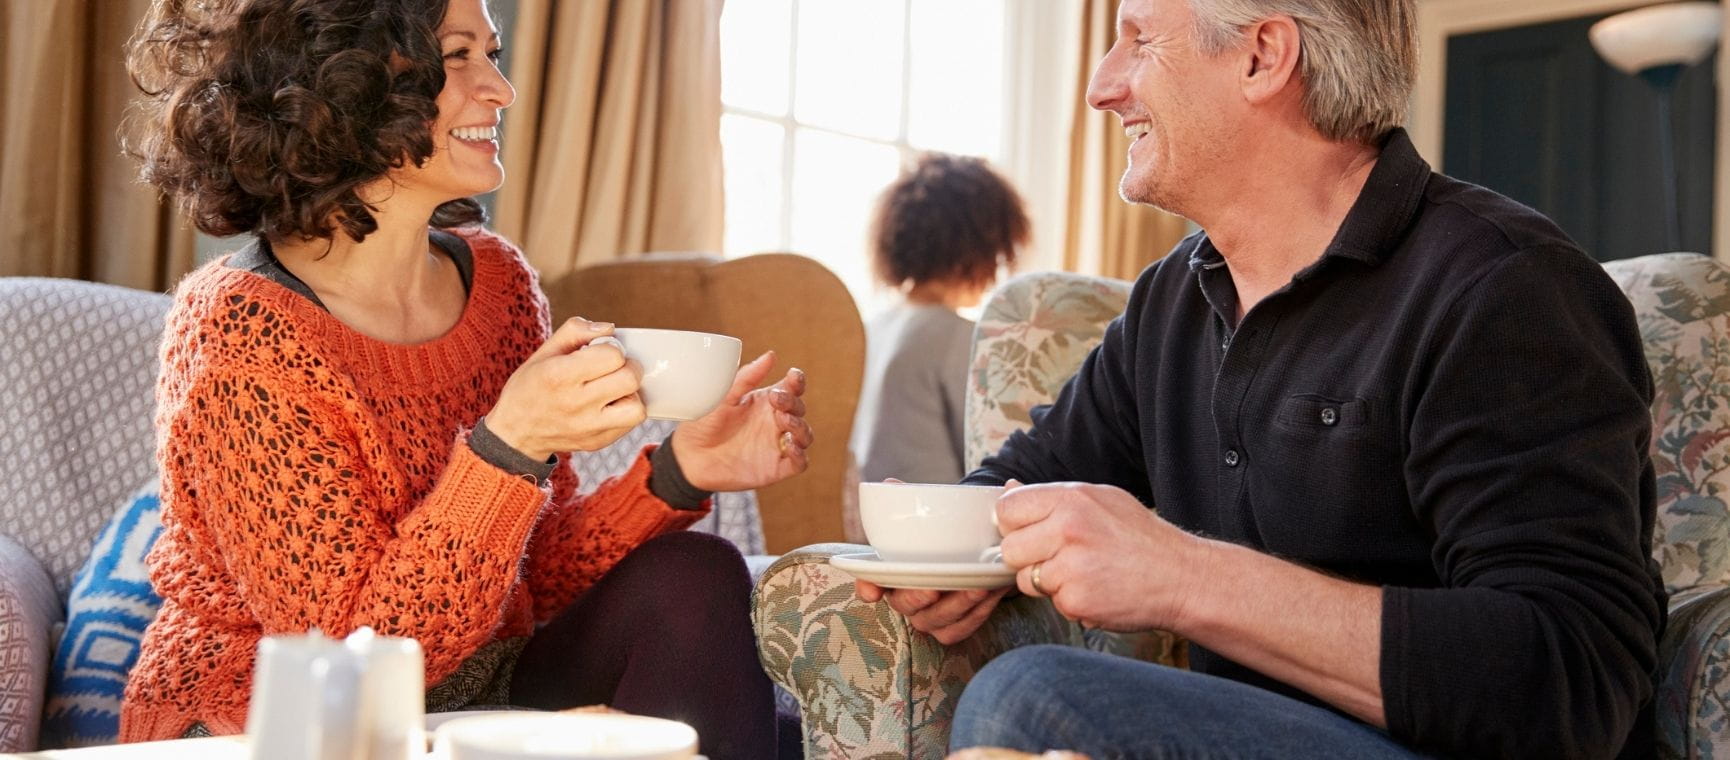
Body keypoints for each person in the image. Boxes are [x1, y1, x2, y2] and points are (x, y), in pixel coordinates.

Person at [858, 0, 1665, 758]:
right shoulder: (1172, 300)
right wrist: (944, 552)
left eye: (1139, 40)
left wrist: (1183, 576)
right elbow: (1025, 480)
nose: (1104, 87)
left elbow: (1575, 678)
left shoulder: (1508, 288)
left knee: (1036, 699)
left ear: (1262, 57)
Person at [118, 1, 813, 758]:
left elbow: (528, 576)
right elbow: (355, 655)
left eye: (493, 51)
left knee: (695, 575)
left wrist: (679, 475)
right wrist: (509, 447)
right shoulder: (239, 330)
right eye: (457, 56)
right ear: (340, 79)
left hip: (474, 686)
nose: (500, 88)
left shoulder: (500, 283)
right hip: (277, 719)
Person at [851, 153, 1029, 484]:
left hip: (871, 515)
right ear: (979, 247)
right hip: (937, 517)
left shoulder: (868, 330)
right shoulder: (957, 336)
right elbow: (991, 447)